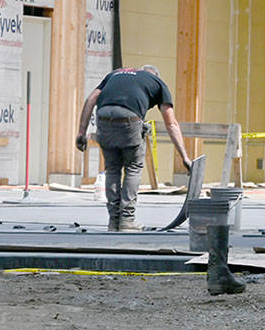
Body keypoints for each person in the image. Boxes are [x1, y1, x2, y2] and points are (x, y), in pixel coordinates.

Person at [75, 65, 192, 231]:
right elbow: (171, 123)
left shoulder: (115, 74)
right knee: (133, 167)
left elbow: (91, 100)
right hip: (128, 118)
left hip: (103, 116)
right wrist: (184, 157)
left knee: (112, 169)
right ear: (155, 76)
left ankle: (114, 221)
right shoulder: (158, 83)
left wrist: (81, 132)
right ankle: (127, 221)